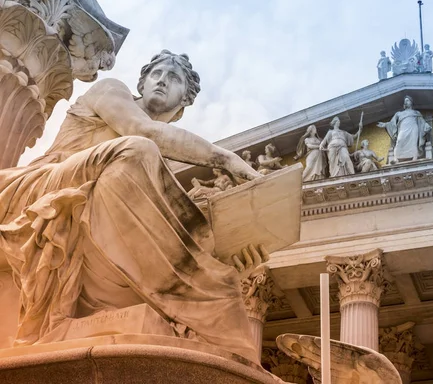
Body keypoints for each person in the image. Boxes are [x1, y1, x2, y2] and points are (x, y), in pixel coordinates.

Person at [0, 50, 263, 363]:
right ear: (142, 80)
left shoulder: (148, 178)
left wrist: (230, 262)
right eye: (156, 74)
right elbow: (143, 132)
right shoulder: (111, 92)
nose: (162, 80)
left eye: (173, 78)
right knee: (137, 149)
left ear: (183, 104)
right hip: (34, 189)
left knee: (219, 280)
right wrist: (226, 158)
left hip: (93, 218)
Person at [377, 95, 431, 163]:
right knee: (399, 141)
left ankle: (415, 156)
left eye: (407, 100)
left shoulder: (416, 112)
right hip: (403, 130)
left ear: (411, 102)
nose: (406, 102)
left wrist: (426, 126)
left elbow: (422, 122)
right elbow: (392, 123)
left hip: (413, 128)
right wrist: (385, 124)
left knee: (414, 142)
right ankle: (396, 158)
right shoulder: (399, 114)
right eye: (405, 101)